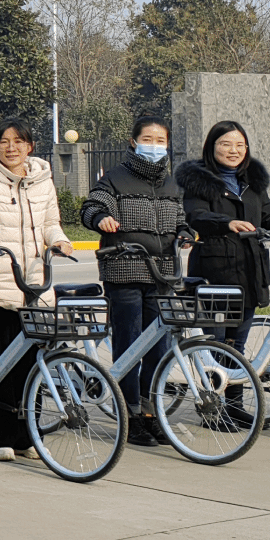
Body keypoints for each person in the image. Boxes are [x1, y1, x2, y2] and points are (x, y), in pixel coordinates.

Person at [0, 118, 72, 462]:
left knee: (31, 366)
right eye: (4, 141)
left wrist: (60, 241)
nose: (11, 147)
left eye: (18, 141)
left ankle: (27, 436)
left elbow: (51, 224)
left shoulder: (43, 181)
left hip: (34, 286)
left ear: (30, 146)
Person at [80, 113, 187, 446]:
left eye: (160, 141)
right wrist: (101, 218)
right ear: (133, 142)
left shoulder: (170, 183)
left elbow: (180, 218)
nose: (154, 146)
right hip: (125, 271)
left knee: (159, 348)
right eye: (147, 140)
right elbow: (91, 207)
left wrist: (185, 232)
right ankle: (129, 415)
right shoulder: (115, 178)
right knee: (129, 347)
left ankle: (151, 413)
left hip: (162, 274)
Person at [176, 120, 270, 354]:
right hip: (215, 273)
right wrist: (227, 223)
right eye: (226, 144)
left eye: (240, 145)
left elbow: (268, 217)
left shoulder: (253, 182)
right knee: (216, 345)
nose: (234, 150)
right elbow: (196, 215)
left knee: (237, 347)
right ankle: (213, 380)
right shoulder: (199, 181)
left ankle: (235, 380)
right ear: (211, 146)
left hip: (250, 272)